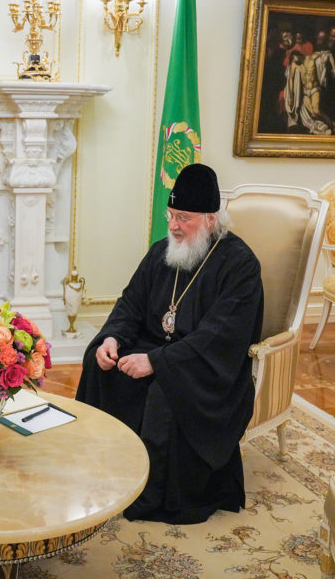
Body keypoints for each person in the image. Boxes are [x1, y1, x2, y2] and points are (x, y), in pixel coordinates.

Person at [75, 163, 263, 525]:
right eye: (171, 215)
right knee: (98, 362)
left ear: (210, 219)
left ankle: (152, 494)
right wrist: (112, 337)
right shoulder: (162, 251)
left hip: (205, 370)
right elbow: (130, 304)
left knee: (166, 389)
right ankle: (103, 469)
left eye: (184, 218)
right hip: (158, 349)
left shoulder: (240, 266)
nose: (174, 226)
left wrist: (157, 362)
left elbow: (217, 337)